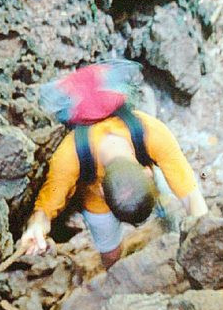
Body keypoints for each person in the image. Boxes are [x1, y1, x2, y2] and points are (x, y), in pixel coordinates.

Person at [20, 107, 208, 268]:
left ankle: (166, 215)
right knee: (110, 253)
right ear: (101, 189)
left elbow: (193, 198)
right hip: (94, 201)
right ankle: (114, 271)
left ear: (147, 172)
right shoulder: (67, 158)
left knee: (172, 188)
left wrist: (205, 233)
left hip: (135, 177)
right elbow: (45, 208)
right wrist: (35, 228)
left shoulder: (153, 133)